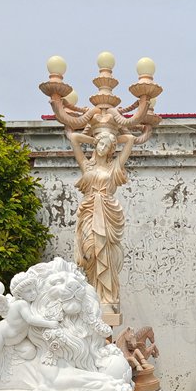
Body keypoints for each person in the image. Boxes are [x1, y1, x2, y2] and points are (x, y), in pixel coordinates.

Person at [69, 127, 136, 306]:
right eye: (100, 144)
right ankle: (92, 293)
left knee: (104, 251)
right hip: (89, 211)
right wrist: (97, 137)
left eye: (107, 146)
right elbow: (74, 137)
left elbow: (129, 138)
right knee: (89, 251)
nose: (102, 147)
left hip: (107, 211)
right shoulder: (86, 164)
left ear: (111, 150)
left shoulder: (114, 166)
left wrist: (111, 136)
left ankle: (106, 297)